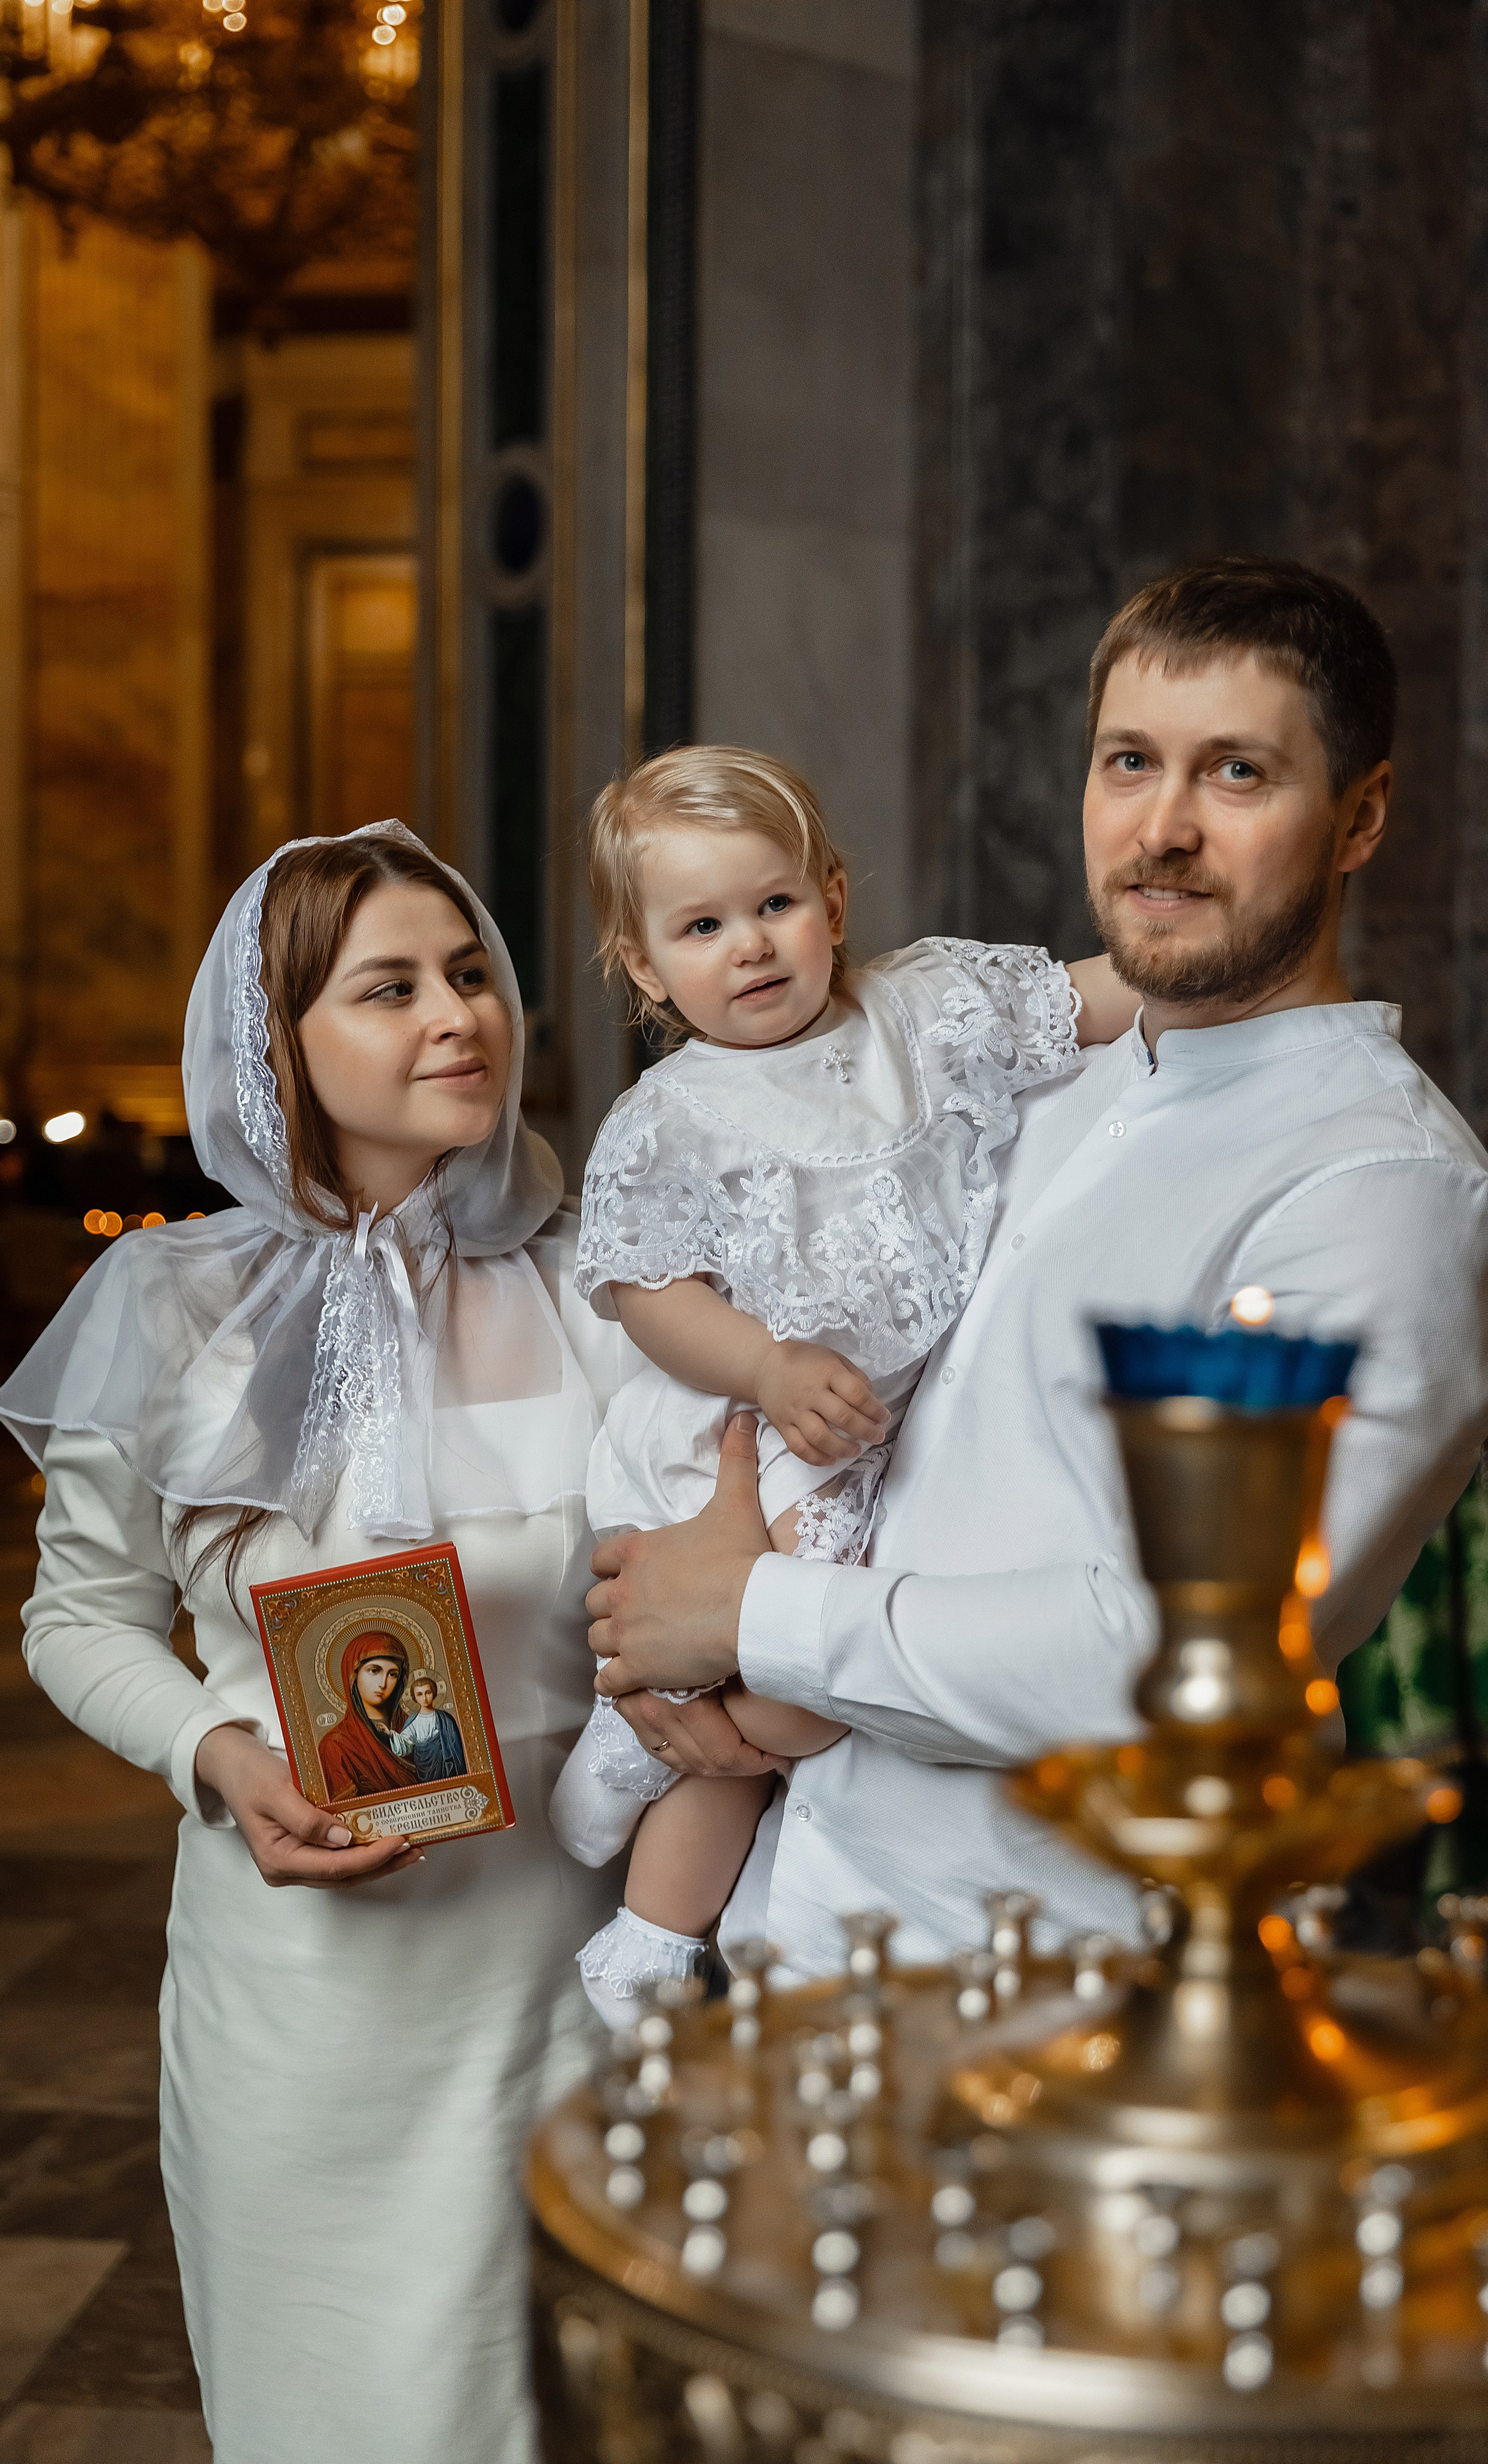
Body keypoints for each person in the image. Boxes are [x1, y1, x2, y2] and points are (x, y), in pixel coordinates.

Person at [583, 557, 1488, 1981]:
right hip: (789, 1936)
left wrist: (744, 1613)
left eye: (1236, 772)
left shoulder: (1375, 1186)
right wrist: (683, 1622)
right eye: (1128, 761)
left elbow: (1179, 1652)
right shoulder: (1017, 1090)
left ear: (1359, 816)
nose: (1161, 828)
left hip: (1050, 1993)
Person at [0, 822, 631, 2464]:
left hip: (564, 1961)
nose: (457, 1015)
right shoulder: (167, 1302)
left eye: (469, 972)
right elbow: (77, 1616)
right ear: (278, 1043)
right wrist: (216, 1754)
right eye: (389, 987)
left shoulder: (601, 1287)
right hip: (298, 1988)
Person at [551, 744, 1136, 2020]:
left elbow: (1100, 994)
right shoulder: (672, 1115)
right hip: (751, 1428)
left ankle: (659, 1758)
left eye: (774, 904)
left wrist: (1211, 976)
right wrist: (763, 1363)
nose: (751, 946)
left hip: (881, 1430)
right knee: (791, 1709)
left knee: (786, 1704)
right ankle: (650, 1923)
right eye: (702, 928)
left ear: (831, 898)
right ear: (645, 968)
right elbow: (648, 1291)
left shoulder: (921, 1014)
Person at [318, 1631, 418, 1799]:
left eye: (393, 1674)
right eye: (374, 1671)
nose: (383, 1684)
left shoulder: (418, 1730)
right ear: (353, 1675)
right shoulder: (335, 1746)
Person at [392, 1669, 469, 1782]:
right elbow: (404, 1744)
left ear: (434, 1693)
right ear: (414, 1697)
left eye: (428, 1693)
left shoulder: (446, 1719)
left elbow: (457, 1749)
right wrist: (389, 1735)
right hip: (423, 1768)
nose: (424, 1698)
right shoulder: (413, 1721)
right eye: (419, 1694)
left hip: (445, 1769)